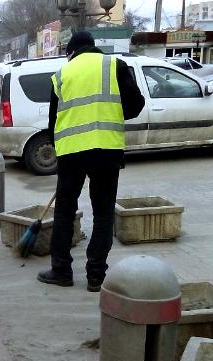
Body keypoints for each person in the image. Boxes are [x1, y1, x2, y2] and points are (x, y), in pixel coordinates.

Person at [38, 31, 145, 292]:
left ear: (71, 52)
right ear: (93, 48)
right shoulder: (115, 66)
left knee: (64, 212)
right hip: (106, 149)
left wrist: (61, 146)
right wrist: (112, 113)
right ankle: (96, 276)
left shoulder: (62, 75)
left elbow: (53, 122)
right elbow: (136, 105)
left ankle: (61, 270)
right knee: (103, 213)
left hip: (71, 152)